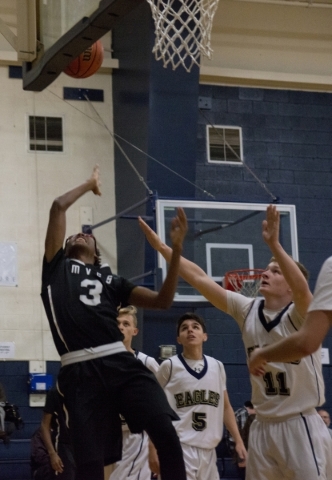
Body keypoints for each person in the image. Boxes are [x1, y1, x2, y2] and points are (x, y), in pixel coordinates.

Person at [139, 204, 332, 480]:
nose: (266, 273)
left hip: (299, 424)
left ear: (289, 283)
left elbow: (302, 290)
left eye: (276, 271)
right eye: (267, 268)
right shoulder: (247, 309)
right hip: (262, 427)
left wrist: (275, 245)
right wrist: (164, 248)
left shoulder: (301, 314)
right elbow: (200, 277)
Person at [40, 165, 187, 480]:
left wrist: (175, 250)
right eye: (73, 236)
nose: (81, 233)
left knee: (164, 428)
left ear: (96, 253)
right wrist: (90, 183)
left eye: (88, 236)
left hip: (120, 362)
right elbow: (58, 206)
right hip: (79, 373)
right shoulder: (55, 271)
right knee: (90, 465)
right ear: (64, 250)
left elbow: (163, 301)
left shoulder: (111, 280)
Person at [149, 312, 247, 480]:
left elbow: (225, 407)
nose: (190, 331)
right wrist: (152, 448)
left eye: (195, 327)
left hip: (209, 452)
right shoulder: (169, 366)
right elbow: (154, 410)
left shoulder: (217, 366)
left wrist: (238, 440)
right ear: (178, 338)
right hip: (179, 448)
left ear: (205, 336)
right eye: (184, 328)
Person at [107, 305, 159, 480]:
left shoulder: (147, 363)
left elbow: (161, 403)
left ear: (134, 331)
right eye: (117, 323)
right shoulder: (100, 362)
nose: (121, 327)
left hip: (135, 436)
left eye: (126, 324)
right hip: (107, 436)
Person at [31, 387, 76, 479]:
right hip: (60, 451)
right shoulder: (40, 434)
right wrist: (52, 454)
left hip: (79, 449)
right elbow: (39, 456)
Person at [225, 400, 256, 479]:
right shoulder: (261, 416)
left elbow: (230, 441)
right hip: (246, 452)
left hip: (242, 452)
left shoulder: (237, 414)